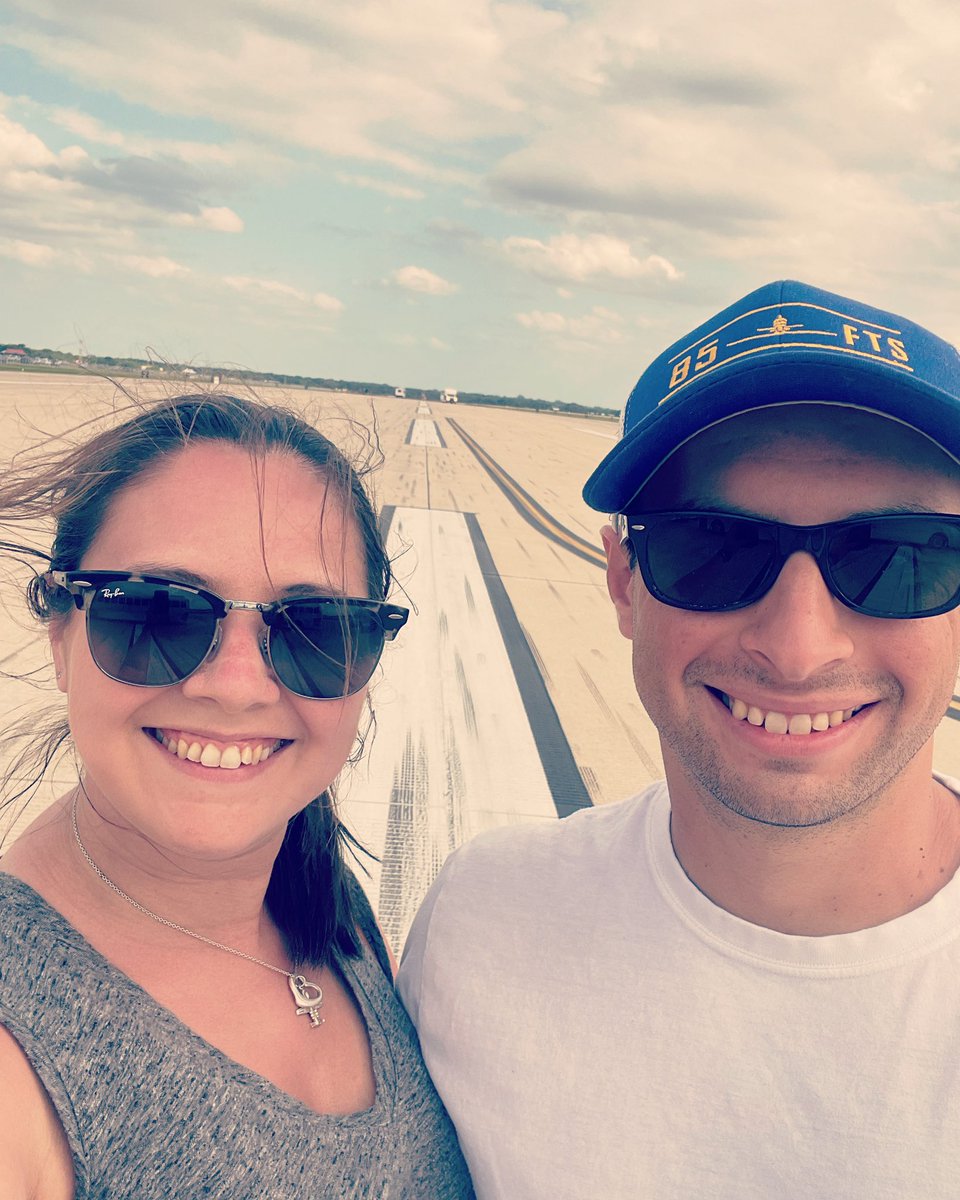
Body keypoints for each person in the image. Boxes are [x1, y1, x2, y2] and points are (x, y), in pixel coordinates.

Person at [397, 280, 960, 1198]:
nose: (799, 646)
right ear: (623, 581)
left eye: (898, 555)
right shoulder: (483, 924)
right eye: (711, 548)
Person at [0, 393, 474, 1199]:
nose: (237, 687)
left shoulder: (328, 898)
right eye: (157, 612)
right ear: (61, 633)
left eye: (314, 628)